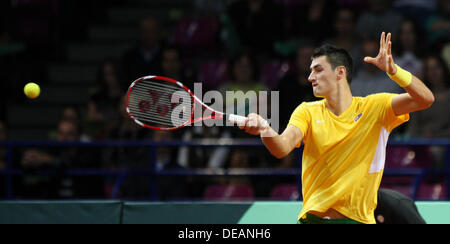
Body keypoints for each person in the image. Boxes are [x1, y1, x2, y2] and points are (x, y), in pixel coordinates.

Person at [237, 32, 434, 224]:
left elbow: (425, 99)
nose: (310, 77)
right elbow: (281, 147)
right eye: (311, 71)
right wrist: (266, 130)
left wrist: (394, 71)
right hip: (315, 220)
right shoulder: (307, 111)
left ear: (340, 72)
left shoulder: (375, 108)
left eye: (318, 70)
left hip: (359, 220)